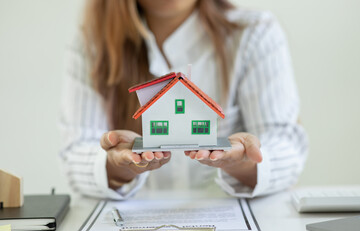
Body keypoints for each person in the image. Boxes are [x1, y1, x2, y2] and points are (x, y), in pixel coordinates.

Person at [60, 0, 308, 199]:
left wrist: (241, 163)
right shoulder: (93, 43)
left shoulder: (255, 33)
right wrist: (117, 166)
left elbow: (286, 147)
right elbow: (76, 154)